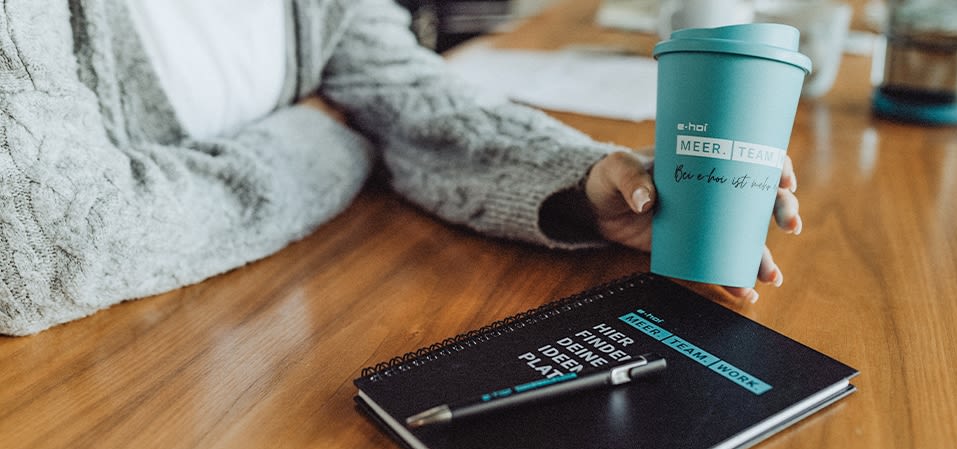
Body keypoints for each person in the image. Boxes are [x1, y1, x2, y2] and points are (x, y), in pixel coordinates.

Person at [0, 0, 801, 336]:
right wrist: (327, 143)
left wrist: (587, 185)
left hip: (251, 339)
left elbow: (402, 93)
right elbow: (50, 249)